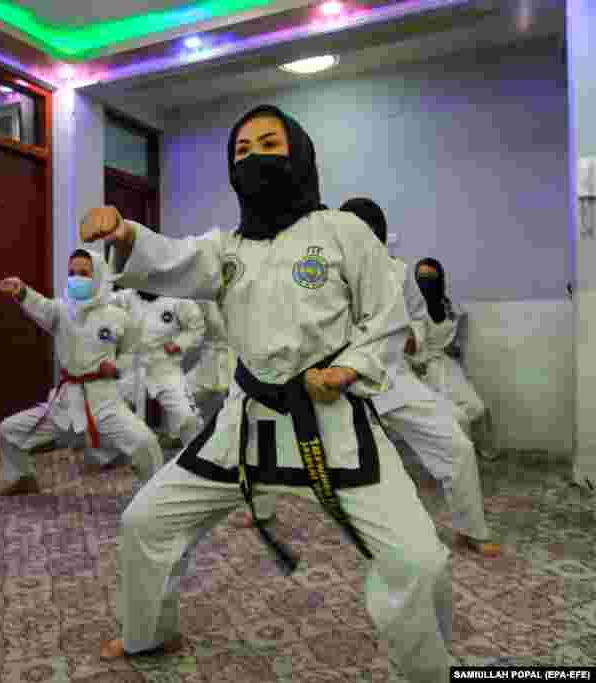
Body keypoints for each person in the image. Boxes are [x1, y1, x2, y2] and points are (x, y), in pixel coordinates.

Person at [80, 105, 454, 682]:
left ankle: (425, 673)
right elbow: (170, 259)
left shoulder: (343, 233)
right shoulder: (227, 249)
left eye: (268, 144)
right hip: (244, 424)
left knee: (419, 561)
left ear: (298, 153)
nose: (254, 157)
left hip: (331, 421)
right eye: (242, 151)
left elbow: (385, 319)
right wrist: (125, 233)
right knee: (145, 522)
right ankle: (147, 631)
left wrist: (348, 370)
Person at [238, 198, 500, 557]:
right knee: (271, 430)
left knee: (455, 444)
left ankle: (471, 528)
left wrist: (413, 339)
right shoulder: (317, 269)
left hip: (392, 376)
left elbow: (419, 319)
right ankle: (261, 509)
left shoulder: (398, 271)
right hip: (330, 381)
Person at [0, 248, 164, 497]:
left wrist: (116, 367)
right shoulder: (61, 311)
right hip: (66, 401)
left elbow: (134, 352)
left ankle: (155, 495)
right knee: (8, 431)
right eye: (72, 273)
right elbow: (40, 306)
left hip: (104, 401)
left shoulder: (117, 316)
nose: (76, 278)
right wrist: (21, 291)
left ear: (97, 276)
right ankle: (22, 477)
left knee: (145, 442)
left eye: (84, 273)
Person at [407, 257, 495, 459]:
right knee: (456, 418)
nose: (426, 283)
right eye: (421, 278)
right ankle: (458, 460)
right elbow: (404, 347)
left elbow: (456, 336)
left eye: (431, 278)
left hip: (447, 366)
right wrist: (413, 365)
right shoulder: (412, 309)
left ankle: (479, 452)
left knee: (477, 408)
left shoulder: (449, 307)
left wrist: (455, 349)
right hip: (422, 371)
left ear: (440, 279)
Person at [110, 289, 204, 449]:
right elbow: (100, 313)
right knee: (109, 415)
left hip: (164, 367)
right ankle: (119, 459)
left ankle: (194, 458)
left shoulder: (177, 299)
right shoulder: (123, 298)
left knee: (188, 417)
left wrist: (179, 343)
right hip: (130, 367)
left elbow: (196, 326)